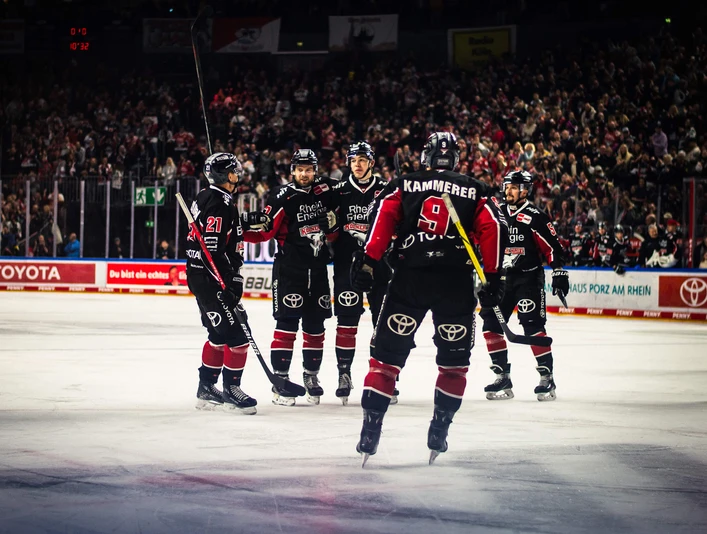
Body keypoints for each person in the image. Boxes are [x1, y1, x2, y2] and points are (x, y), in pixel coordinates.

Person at [350, 132, 507, 464]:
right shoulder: (475, 188)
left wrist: (367, 260)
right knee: (454, 364)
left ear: (426, 156)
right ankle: (440, 429)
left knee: (385, 360)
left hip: (410, 278)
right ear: (454, 160)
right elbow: (493, 227)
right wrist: (492, 276)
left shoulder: (405, 184)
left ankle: (371, 428)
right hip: (455, 283)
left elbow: (382, 217)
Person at [242, 149, 335, 406]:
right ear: (292, 171)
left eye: (309, 169)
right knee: (286, 326)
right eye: (300, 169)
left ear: (315, 171)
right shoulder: (282, 196)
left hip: (317, 271)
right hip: (289, 271)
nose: (304, 174)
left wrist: (335, 223)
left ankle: (311, 377)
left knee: (316, 327)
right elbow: (264, 232)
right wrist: (237, 230)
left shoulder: (327, 191)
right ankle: (280, 381)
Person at [480, 170, 568, 403]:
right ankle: (502, 376)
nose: (508, 190)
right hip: (500, 280)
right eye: (507, 186)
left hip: (528, 280)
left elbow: (553, 247)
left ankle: (546, 377)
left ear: (525, 191)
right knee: (490, 325)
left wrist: (559, 272)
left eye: (514, 187)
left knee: (532, 327)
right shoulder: (496, 212)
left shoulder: (534, 216)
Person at [317, 141, 390, 405]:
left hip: (381, 265)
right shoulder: (338, 191)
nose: (357, 164)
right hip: (347, 265)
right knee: (347, 321)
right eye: (353, 160)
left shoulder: (385, 190)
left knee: (382, 323)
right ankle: (344, 374)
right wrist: (330, 230)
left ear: (371, 162)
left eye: (362, 160)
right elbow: (331, 231)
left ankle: (382, 376)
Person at [186, 152, 257, 415]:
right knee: (237, 337)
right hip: (209, 279)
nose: (237, 173)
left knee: (217, 336)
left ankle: (206, 388)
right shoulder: (218, 203)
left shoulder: (208, 196)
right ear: (223, 174)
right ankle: (231, 390)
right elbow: (213, 248)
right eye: (233, 170)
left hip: (202, 277)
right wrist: (230, 281)